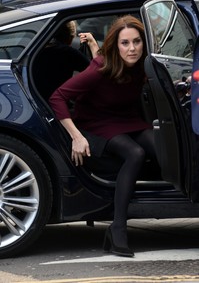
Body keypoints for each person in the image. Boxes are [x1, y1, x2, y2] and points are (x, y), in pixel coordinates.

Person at [49, 15, 156, 258]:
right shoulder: (101, 68)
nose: (132, 49)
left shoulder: (145, 65)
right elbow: (57, 97)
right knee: (135, 153)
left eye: (137, 42)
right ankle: (118, 227)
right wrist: (76, 136)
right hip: (96, 123)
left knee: (163, 145)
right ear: (116, 46)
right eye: (125, 43)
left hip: (127, 120)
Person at [34, 20, 99, 101]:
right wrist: (93, 43)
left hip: (37, 98)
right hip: (57, 100)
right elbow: (96, 72)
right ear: (70, 37)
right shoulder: (68, 53)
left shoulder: (39, 50)